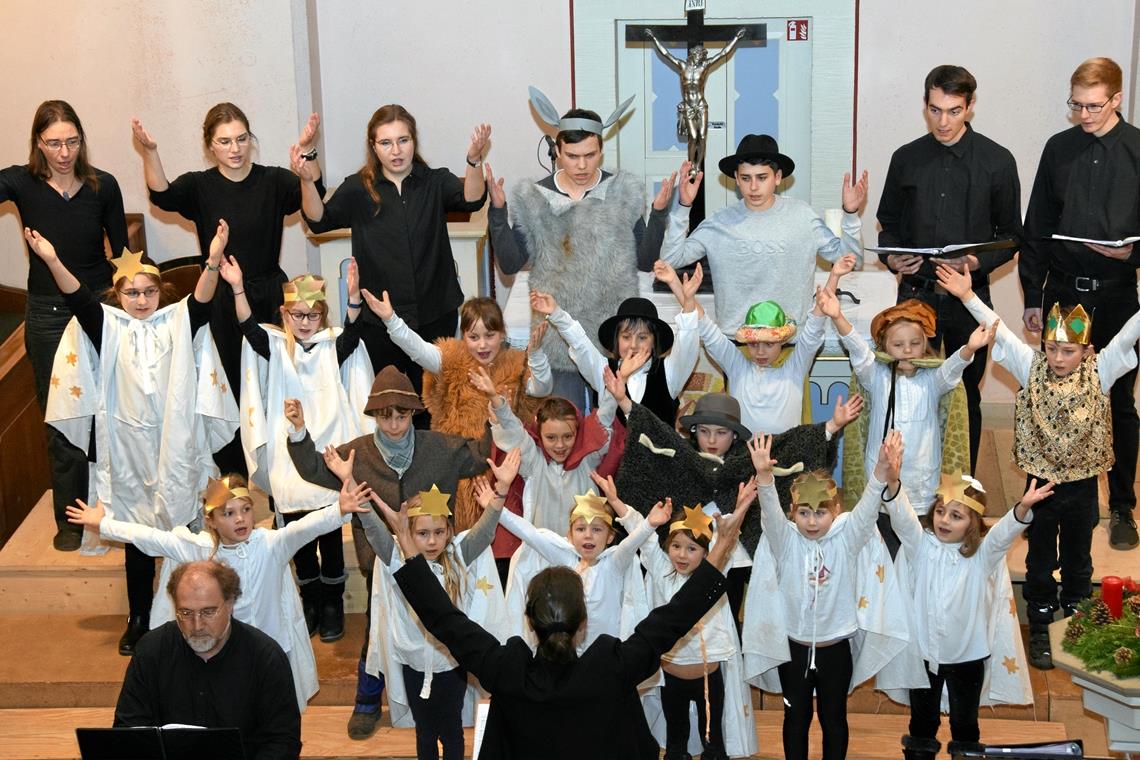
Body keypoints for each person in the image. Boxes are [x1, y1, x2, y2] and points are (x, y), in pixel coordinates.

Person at [372, 467, 750, 760]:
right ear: (582, 623)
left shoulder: (508, 671)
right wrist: (722, 547)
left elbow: (443, 618)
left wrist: (407, 545)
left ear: (531, 623)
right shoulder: (611, 667)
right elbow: (677, 616)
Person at [32, 224, 234, 655]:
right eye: (131, 293)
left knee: (184, 527)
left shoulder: (178, 320)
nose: (141, 301)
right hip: (128, 449)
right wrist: (52, 259)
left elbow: (202, 298)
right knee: (138, 533)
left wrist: (213, 257)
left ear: (160, 292)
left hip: (175, 444)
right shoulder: (108, 326)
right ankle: (140, 615)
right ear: (118, 295)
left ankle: (198, 608)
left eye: (148, 292)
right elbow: (78, 298)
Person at [936, 262, 1140, 669]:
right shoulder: (1030, 368)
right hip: (1039, 487)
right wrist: (966, 296)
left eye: (1068, 351)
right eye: (1052, 348)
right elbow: (999, 327)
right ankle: (1043, 622)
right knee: (1040, 557)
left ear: (1087, 351)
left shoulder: (1101, 370)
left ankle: (1079, 618)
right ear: (1043, 345)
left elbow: (1130, 332)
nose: (1059, 358)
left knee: (1080, 557)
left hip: (1082, 486)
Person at [284, 366, 490, 739]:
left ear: (412, 412)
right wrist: (299, 431)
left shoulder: (441, 447)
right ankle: (367, 698)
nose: (393, 424)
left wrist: (495, 409)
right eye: (384, 415)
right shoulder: (357, 453)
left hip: (435, 560)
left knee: (444, 624)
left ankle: (448, 699)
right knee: (376, 626)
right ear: (374, 415)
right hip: (380, 560)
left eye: (401, 414)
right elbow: (314, 467)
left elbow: (480, 456)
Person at [132, 105, 325, 476]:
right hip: (220, 298)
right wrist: (151, 152)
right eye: (224, 141)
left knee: (277, 381)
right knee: (230, 384)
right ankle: (236, 476)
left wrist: (307, 158)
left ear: (250, 140)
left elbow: (314, 193)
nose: (234, 148)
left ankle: (282, 468)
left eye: (241, 139)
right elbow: (162, 196)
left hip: (269, 295)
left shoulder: (274, 181)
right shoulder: (200, 186)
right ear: (210, 146)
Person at [67, 474, 369, 710]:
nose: (240, 519)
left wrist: (338, 509)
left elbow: (303, 528)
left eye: (246, 510)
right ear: (210, 520)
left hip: (269, 650)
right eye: (228, 513)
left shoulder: (270, 545)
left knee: (270, 714)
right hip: (223, 654)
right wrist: (103, 524)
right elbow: (151, 538)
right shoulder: (199, 549)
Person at [877, 65, 1023, 473]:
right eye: (935, 110)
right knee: (907, 389)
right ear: (925, 105)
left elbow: (1012, 235)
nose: (943, 122)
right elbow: (887, 223)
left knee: (964, 394)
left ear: (970, 107)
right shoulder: (906, 158)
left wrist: (977, 261)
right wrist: (892, 257)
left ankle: (961, 488)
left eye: (954, 111)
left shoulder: (996, 161)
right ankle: (906, 485)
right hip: (915, 296)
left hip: (967, 298)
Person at [1019, 56, 1140, 551]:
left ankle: (1123, 508)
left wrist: (1134, 252)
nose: (1084, 114)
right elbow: (1037, 224)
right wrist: (1032, 294)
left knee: (1117, 402)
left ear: (1116, 99)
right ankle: (1047, 502)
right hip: (1065, 294)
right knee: (1049, 399)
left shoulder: (1138, 149)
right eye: (1076, 104)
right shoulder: (1059, 148)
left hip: (1116, 294)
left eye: (1093, 105)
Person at [486, 98, 672, 408]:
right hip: (558, 340)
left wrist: (660, 213)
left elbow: (644, 260)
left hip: (612, 339)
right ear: (557, 152)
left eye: (590, 155)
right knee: (564, 432)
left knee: (613, 436)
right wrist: (497, 210)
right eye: (572, 156)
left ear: (601, 150)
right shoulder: (536, 198)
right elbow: (509, 263)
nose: (582, 166)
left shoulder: (620, 192)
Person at [1, 100, 128, 551]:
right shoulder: (21, 182)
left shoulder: (103, 186)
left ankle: (116, 506)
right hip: (48, 315)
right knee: (61, 418)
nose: (64, 152)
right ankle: (70, 519)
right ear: (38, 142)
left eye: (72, 141)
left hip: (97, 307)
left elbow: (121, 256)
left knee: (111, 409)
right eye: (54, 143)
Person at [226, 256, 373, 643]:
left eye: (313, 315)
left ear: (323, 316)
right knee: (297, 534)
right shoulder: (276, 348)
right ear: (285, 314)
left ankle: (332, 604)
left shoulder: (332, 346)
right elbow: (247, 326)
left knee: (327, 532)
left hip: (326, 456)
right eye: (297, 315)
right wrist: (238, 287)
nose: (305, 322)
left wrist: (354, 298)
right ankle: (309, 598)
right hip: (288, 459)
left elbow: (355, 333)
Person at [297, 105, 489, 402]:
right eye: (386, 143)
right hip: (380, 321)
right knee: (389, 404)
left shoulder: (434, 181)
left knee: (435, 401)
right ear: (373, 147)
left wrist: (474, 160)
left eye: (403, 140)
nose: (396, 150)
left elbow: (472, 199)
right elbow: (318, 219)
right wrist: (307, 181)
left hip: (434, 313)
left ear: (414, 141)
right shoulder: (359, 187)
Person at [746, 431, 905, 760]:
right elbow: (770, 516)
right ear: (793, 512)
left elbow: (867, 512)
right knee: (796, 719)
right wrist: (763, 476)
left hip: (836, 652)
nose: (812, 521)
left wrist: (879, 470)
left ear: (835, 510)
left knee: (834, 720)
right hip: (795, 652)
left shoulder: (846, 539)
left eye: (820, 512)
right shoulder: (786, 541)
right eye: (804, 513)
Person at [884, 473, 1051, 760]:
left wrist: (1022, 508)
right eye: (940, 511)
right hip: (925, 657)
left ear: (972, 523)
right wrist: (892, 483)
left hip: (968, 660)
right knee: (922, 724)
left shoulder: (981, 557)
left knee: (965, 725)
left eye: (956, 515)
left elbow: (1001, 536)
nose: (944, 520)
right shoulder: (920, 547)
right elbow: (902, 518)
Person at [818, 288, 989, 557]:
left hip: (922, 485)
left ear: (926, 345)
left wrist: (969, 348)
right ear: (884, 346)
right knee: (883, 551)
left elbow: (952, 370)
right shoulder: (876, 376)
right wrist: (837, 316)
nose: (907, 351)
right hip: (881, 481)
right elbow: (858, 351)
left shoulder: (932, 381)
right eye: (898, 345)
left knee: (916, 552)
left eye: (915, 344)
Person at [362, 288, 551, 530]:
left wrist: (535, 355)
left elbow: (542, 387)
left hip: (502, 470)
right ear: (463, 336)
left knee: (500, 540)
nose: (482, 344)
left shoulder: (516, 364)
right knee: (451, 539)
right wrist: (391, 319)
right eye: (473, 337)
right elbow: (417, 349)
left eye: (489, 335)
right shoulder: (451, 359)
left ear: (502, 333)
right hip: (455, 469)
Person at [349, 470, 505, 760]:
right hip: (414, 665)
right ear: (408, 533)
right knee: (425, 731)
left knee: (451, 731)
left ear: (448, 531)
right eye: (423, 533)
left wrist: (502, 492)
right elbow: (375, 532)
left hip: (450, 666)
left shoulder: (458, 557)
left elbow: (484, 532)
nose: (432, 541)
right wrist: (350, 483)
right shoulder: (397, 558)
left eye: (439, 532)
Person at [659, 135, 867, 334]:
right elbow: (671, 260)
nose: (753, 187)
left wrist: (850, 215)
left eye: (762, 177)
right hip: (735, 339)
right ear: (736, 179)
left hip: (792, 338)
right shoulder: (719, 222)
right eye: (746, 178)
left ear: (777, 178)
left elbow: (851, 260)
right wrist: (683, 206)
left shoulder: (802, 217)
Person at [113, 559, 302, 760]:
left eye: (208, 612)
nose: (197, 625)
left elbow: (282, 742)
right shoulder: (151, 651)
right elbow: (129, 729)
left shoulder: (266, 657)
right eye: (186, 613)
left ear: (230, 605)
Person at [640, 487, 759, 760]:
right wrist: (623, 508)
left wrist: (740, 509)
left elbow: (726, 543)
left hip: (709, 678)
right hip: (672, 679)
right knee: (676, 742)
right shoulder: (662, 572)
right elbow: (643, 538)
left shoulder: (713, 576)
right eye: (676, 546)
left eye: (692, 548)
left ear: (706, 554)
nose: (682, 555)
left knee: (714, 742)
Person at [697, 255, 856, 436]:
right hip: (745, 458)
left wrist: (834, 276)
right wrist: (683, 294)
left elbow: (818, 317)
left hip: (788, 459)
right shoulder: (737, 367)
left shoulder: (794, 368)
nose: (761, 352)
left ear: (782, 342)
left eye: (769, 344)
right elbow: (709, 333)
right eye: (754, 344)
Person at [529, 259, 700, 427]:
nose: (633, 345)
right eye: (626, 337)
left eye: (642, 337)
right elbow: (581, 345)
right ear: (616, 340)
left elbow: (687, 344)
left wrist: (689, 302)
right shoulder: (604, 371)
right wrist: (557, 314)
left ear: (654, 342)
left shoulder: (669, 373)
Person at [645, 28, 747, 172]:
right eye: (699, 54)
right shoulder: (682, 66)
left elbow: (723, 53)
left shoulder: (704, 67)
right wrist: (654, 38)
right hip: (688, 106)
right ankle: (691, 164)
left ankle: (698, 165)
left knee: (703, 136)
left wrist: (736, 38)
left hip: (700, 105)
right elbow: (666, 53)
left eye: (702, 55)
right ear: (692, 54)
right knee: (693, 137)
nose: (701, 57)